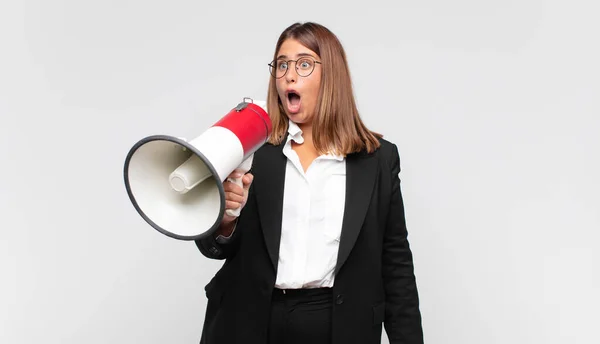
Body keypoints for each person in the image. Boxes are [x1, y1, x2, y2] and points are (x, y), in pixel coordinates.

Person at [195, 22, 424, 344]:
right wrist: (226, 222)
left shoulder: (377, 159)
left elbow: (395, 258)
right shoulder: (250, 148)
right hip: (249, 321)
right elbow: (214, 247)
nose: (289, 74)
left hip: (337, 323)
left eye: (304, 64)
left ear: (331, 75)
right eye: (282, 64)